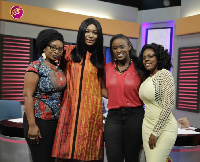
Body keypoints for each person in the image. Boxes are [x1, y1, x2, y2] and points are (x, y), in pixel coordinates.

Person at [52, 18, 104, 162]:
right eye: (87, 31)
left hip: (90, 113)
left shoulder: (100, 59)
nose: (91, 35)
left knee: (86, 154)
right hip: (68, 110)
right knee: (64, 154)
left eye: (95, 32)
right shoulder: (69, 52)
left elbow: (103, 86)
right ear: (82, 33)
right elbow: (50, 61)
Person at [23, 29, 66, 162]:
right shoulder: (36, 66)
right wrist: (32, 125)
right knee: (41, 158)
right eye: (53, 47)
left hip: (56, 121)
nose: (56, 51)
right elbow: (27, 96)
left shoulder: (59, 69)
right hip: (38, 120)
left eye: (60, 49)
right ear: (44, 47)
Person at [104, 34, 144, 162]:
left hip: (135, 116)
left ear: (129, 47)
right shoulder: (107, 68)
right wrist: (114, 96)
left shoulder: (139, 68)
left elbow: (147, 91)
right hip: (113, 117)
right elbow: (100, 87)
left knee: (132, 157)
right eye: (114, 48)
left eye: (122, 47)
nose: (118, 50)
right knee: (113, 156)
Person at [138, 43, 178, 162]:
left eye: (150, 56)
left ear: (158, 58)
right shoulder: (148, 78)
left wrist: (155, 132)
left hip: (163, 129)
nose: (147, 60)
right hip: (147, 127)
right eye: (144, 57)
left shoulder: (164, 74)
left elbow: (168, 105)